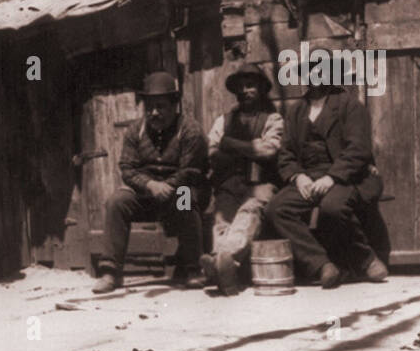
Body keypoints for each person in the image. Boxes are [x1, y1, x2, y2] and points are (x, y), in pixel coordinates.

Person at [92, 71, 209, 294]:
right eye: (149, 107)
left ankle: (194, 269)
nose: (154, 112)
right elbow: (127, 168)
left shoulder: (190, 130)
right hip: (147, 193)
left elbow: (191, 170)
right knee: (117, 201)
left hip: (179, 193)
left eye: (161, 106)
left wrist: (167, 186)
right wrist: (150, 185)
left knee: (185, 197)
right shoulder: (135, 131)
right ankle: (110, 272)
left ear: (175, 105)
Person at [265, 82, 388, 288]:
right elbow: (285, 154)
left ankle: (366, 259)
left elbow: (358, 149)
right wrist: (297, 176)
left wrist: (332, 178)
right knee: (276, 209)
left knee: (332, 208)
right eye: (312, 69)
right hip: (308, 177)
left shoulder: (350, 106)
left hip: (347, 175)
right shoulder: (297, 110)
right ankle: (321, 265)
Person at [199, 62, 284, 295]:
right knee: (222, 217)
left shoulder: (273, 119)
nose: (245, 91)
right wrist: (250, 147)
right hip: (229, 183)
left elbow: (269, 150)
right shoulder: (223, 120)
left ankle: (223, 261)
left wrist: (230, 144)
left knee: (249, 213)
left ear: (261, 89)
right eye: (241, 87)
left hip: (261, 185)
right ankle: (223, 267)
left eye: (251, 86)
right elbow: (211, 151)